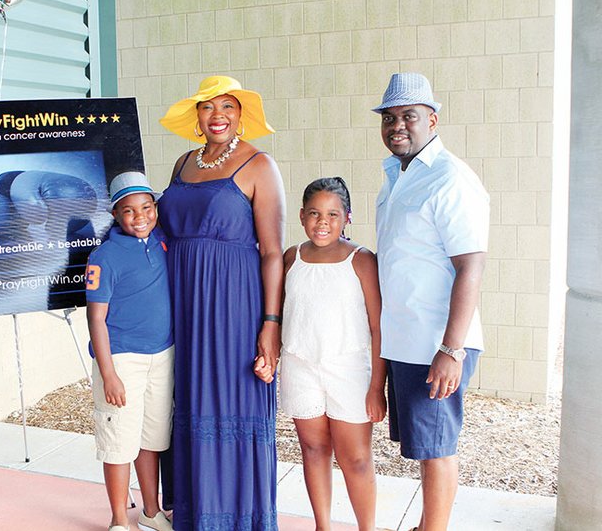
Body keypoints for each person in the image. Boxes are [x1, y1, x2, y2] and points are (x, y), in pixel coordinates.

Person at [158, 76, 286, 530]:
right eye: (208, 107)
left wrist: (271, 323)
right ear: (196, 116)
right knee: (187, 398)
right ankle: (194, 513)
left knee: (231, 401)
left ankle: (238, 517)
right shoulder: (182, 163)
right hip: (181, 302)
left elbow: (272, 252)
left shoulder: (260, 165)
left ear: (240, 114)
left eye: (228, 107)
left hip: (234, 305)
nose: (218, 116)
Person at [372, 73, 489, 531]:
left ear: (432, 120)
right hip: (405, 342)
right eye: (389, 117)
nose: (397, 125)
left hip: (437, 345)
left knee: (438, 448)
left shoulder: (450, 178)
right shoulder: (395, 176)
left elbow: (471, 266)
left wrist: (451, 349)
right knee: (425, 446)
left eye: (409, 116)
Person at [279, 177, 385, 531]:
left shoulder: (362, 260)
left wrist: (376, 386)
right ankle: (322, 525)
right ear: (301, 216)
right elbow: (282, 313)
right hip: (300, 366)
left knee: (355, 458)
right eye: (314, 213)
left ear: (347, 218)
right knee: (313, 450)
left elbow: (377, 326)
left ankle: (365, 527)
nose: (322, 222)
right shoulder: (292, 257)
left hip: (349, 370)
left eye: (332, 214)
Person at [85, 171, 174, 531]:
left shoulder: (162, 242)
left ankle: (151, 511)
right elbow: (96, 318)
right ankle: (121, 519)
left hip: (163, 354)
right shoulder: (103, 256)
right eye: (129, 210)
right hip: (123, 359)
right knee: (119, 441)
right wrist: (109, 374)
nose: (140, 217)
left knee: (151, 438)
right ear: (115, 215)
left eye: (146, 207)